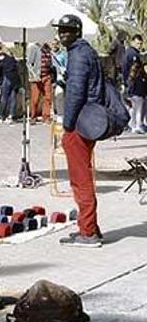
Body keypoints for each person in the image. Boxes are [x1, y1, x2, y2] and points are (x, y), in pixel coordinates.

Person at [54, 14, 104, 248]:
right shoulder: (86, 51)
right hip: (88, 119)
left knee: (80, 179)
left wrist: (67, 125)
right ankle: (90, 227)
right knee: (82, 176)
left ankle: (88, 233)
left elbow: (75, 92)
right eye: (61, 30)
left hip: (80, 123)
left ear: (77, 32)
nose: (63, 34)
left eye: (67, 30)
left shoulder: (78, 55)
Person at [0, 43, 20, 124]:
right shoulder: (10, 55)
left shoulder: (0, 56)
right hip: (15, 78)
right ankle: (12, 116)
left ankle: (1, 115)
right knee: (13, 97)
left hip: (7, 77)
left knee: (4, 97)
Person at [27, 42, 55, 123]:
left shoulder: (48, 49)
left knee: (48, 97)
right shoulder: (34, 48)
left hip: (47, 76)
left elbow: (52, 63)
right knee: (35, 99)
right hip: (37, 77)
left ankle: (46, 117)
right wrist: (34, 75)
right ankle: (33, 116)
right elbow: (29, 63)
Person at [127, 60, 147, 134]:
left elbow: (130, 87)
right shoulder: (140, 77)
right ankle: (139, 125)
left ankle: (132, 125)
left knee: (133, 111)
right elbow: (142, 87)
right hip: (139, 95)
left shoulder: (131, 76)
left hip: (132, 95)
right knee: (139, 111)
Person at [50, 38, 67, 118]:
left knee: (59, 94)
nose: (54, 46)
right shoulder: (49, 54)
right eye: (52, 44)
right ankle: (52, 111)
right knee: (50, 94)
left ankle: (60, 112)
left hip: (60, 76)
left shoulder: (63, 54)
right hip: (51, 76)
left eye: (55, 44)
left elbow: (66, 65)